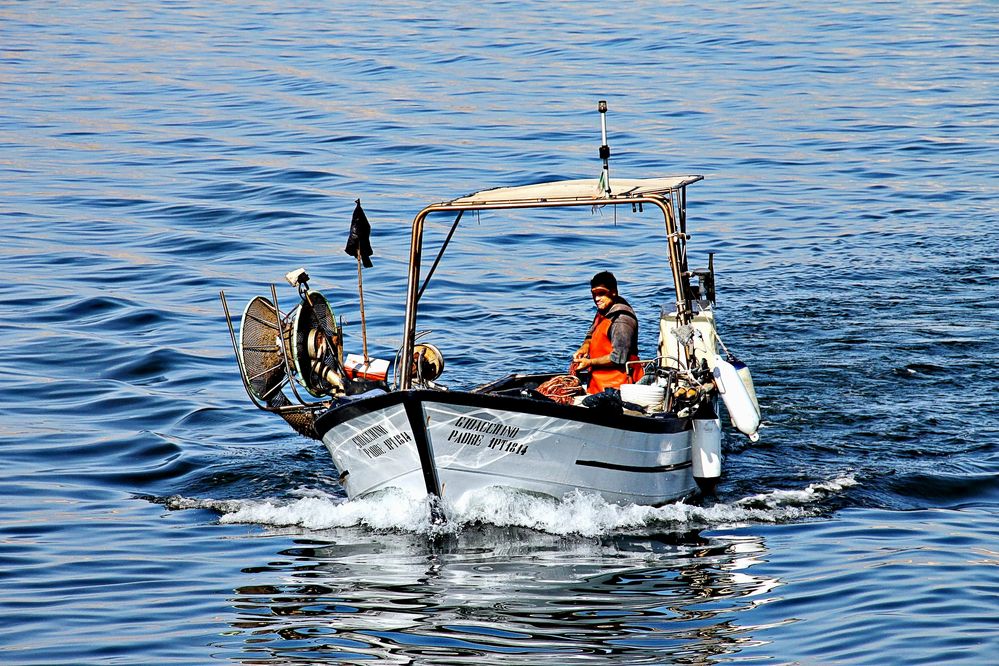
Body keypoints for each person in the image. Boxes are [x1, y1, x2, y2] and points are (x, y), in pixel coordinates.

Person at [572, 271, 644, 394]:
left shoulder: (621, 320)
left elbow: (619, 358)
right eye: (594, 294)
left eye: (601, 293)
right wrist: (584, 347)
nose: (597, 298)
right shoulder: (603, 310)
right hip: (597, 384)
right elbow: (590, 335)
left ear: (613, 292)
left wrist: (589, 362)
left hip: (618, 388)